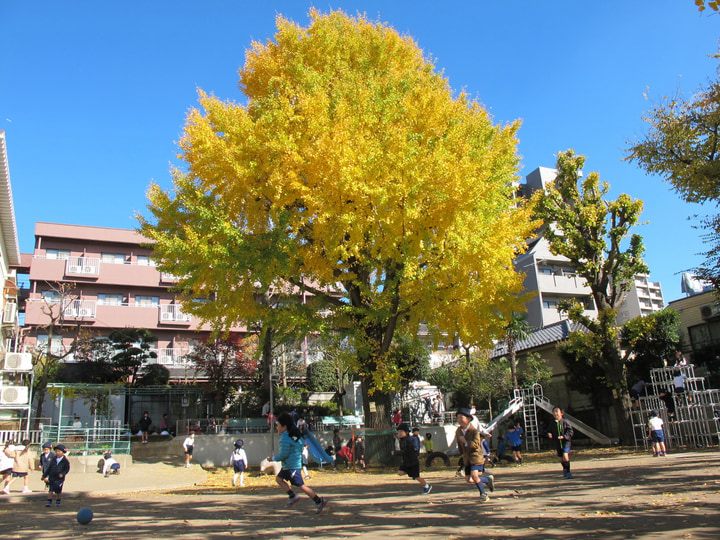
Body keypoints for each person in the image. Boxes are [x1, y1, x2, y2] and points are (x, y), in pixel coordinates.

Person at [268, 412, 328, 514]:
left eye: (278, 426)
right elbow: (301, 446)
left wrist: (273, 458)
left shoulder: (285, 439)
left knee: (301, 486)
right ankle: (292, 496)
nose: (276, 428)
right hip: (289, 465)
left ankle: (319, 501)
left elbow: (283, 455)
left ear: (284, 427)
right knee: (279, 479)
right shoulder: (293, 435)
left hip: (292, 466)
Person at [455, 408, 494, 503]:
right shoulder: (458, 431)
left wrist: (466, 442)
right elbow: (460, 445)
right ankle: (487, 480)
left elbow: (476, 444)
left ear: (468, 419)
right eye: (458, 418)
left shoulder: (474, 431)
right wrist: (461, 455)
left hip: (476, 457)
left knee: (474, 476)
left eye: (461, 417)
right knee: (468, 479)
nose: (459, 420)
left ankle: (484, 495)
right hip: (467, 458)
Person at [392, 423, 432, 494]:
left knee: (416, 476)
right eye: (399, 432)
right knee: (400, 472)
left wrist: (396, 453)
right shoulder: (402, 440)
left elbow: (405, 451)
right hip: (407, 462)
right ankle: (410, 472)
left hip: (412, 462)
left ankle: (427, 486)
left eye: (401, 432)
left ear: (406, 432)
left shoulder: (408, 440)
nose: (399, 433)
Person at [547, 406, 574, 479]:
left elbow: (570, 432)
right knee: (561, 458)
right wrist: (549, 434)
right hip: (557, 442)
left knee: (565, 456)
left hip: (566, 442)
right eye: (554, 412)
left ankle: (568, 472)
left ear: (561, 413)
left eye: (557, 411)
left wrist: (564, 436)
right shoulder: (552, 423)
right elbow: (549, 430)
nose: (555, 413)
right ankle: (565, 469)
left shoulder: (565, 422)